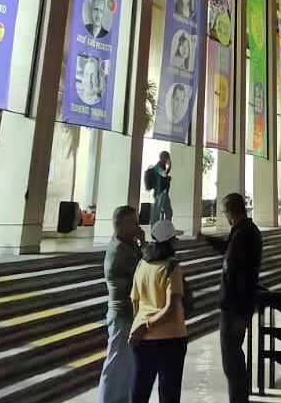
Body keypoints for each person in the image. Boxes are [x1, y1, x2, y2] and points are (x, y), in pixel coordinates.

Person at [204, 193, 262, 403]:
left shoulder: (244, 234)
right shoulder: (243, 231)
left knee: (232, 361)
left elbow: (239, 271)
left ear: (230, 212)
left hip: (235, 307)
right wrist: (209, 241)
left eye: (225, 211)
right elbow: (231, 253)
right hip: (237, 306)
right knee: (234, 359)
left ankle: (238, 400)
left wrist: (239, 310)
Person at [129, 219, 189, 403]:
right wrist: (148, 324)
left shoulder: (142, 265)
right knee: (169, 392)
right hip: (172, 337)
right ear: (170, 242)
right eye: (175, 239)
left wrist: (141, 324)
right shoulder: (172, 267)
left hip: (143, 338)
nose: (177, 243)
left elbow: (135, 300)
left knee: (140, 389)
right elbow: (171, 307)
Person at [98, 206, 143, 403]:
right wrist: (144, 243)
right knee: (115, 362)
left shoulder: (126, 243)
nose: (137, 226)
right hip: (122, 315)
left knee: (126, 363)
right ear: (122, 225)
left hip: (129, 314)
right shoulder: (120, 252)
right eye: (133, 222)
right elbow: (144, 270)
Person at [149, 152, 173, 224]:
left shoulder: (161, 166)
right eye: (167, 157)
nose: (169, 159)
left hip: (163, 193)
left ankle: (166, 227)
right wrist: (170, 165)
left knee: (168, 212)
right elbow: (164, 174)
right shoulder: (159, 166)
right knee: (157, 213)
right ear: (164, 158)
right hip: (160, 193)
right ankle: (155, 230)